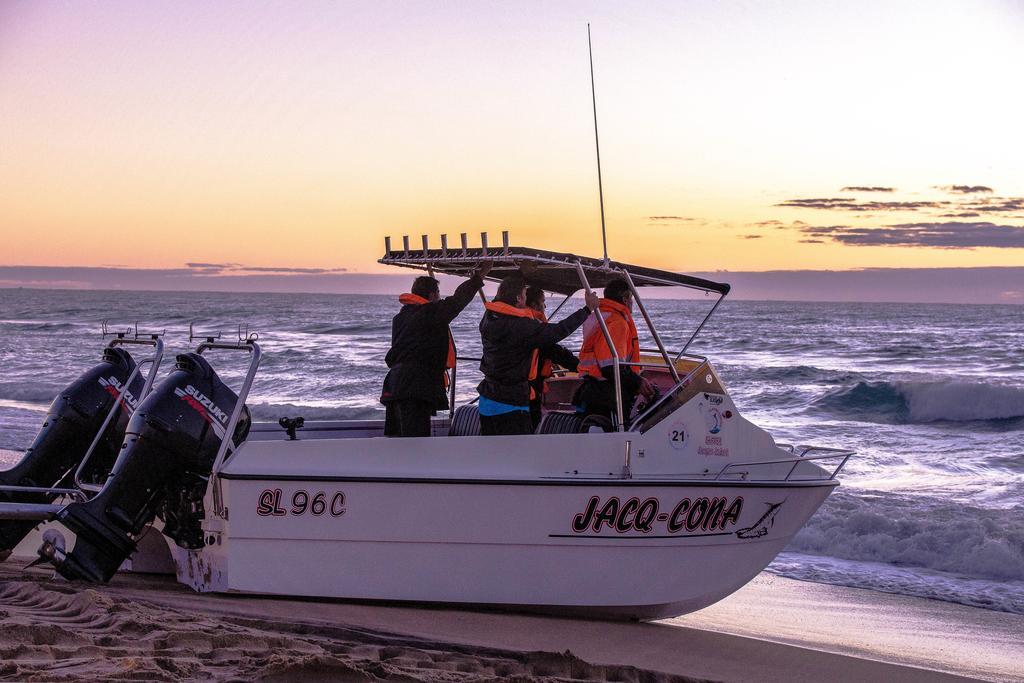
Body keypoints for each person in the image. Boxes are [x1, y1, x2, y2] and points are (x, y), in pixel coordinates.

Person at [477, 275, 598, 436]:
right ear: (519, 298)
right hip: (511, 403)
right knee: (519, 452)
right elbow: (557, 331)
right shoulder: (522, 327)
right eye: (524, 295)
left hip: (487, 399)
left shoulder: (489, 318)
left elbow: (501, 302)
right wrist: (587, 310)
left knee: (492, 451)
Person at [381, 262, 491, 437]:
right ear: (432, 295)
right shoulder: (429, 314)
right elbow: (457, 301)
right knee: (415, 440)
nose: (440, 298)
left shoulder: (401, 317)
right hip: (414, 387)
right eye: (439, 294)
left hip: (395, 385)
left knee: (398, 438)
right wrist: (478, 277)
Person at [575, 278, 655, 426]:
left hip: (591, 391)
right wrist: (637, 382)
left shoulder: (599, 317)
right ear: (625, 299)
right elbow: (610, 367)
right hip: (607, 396)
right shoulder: (617, 323)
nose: (632, 303)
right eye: (631, 299)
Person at [524, 285, 580, 430]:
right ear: (534, 305)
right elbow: (555, 351)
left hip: (521, 391)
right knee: (531, 428)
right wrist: (581, 367)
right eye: (543, 302)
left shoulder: (517, 323)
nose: (545, 306)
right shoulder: (532, 328)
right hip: (527, 394)